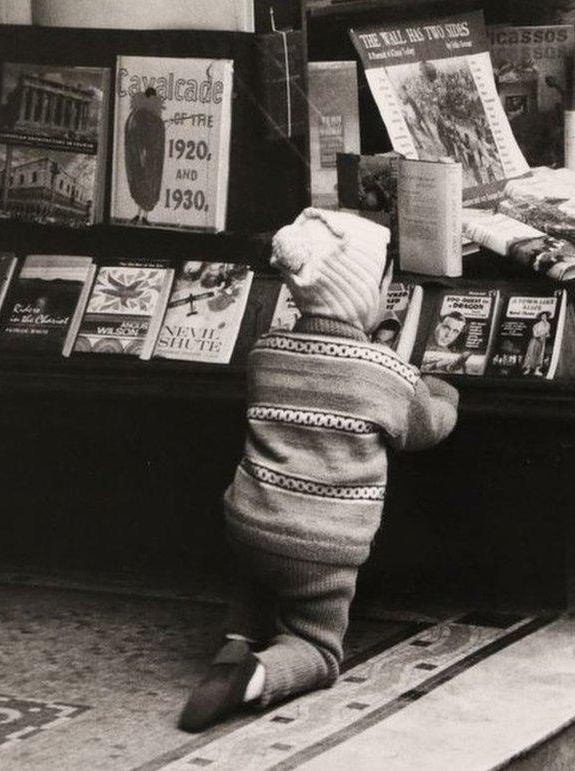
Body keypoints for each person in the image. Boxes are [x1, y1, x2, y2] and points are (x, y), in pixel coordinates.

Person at [178, 208, 459, 732]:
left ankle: (236, 644)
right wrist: (443, 393)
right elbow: (424, 429)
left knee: (259, 575)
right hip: (322, 547)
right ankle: (255, 678)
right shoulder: (383, 372)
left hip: (248, 525)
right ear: (362, 295)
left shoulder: (266, 353)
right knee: (316, 647)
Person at [521, 311, 552, 377]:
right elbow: (535, 334)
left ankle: (537, 370)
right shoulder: (537, 325)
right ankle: (528, 369)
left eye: (545, 316)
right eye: (542, 316)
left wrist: (547, 336)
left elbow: (548, 334)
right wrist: (541, 335)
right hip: (535, 341)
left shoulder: (548, 325)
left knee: (540, 355)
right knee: (531, 354)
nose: (544, 317)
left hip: (542, 342)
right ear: (540, 317)